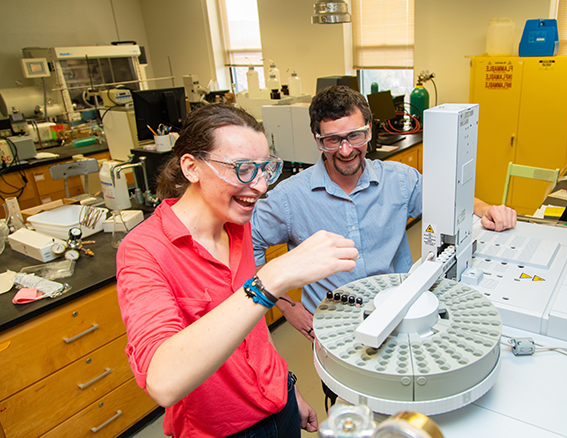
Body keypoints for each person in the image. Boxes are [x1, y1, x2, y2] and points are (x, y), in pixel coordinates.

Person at [116, 104, 358, 438]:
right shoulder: (144, 250)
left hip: (280, 404)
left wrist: (287, 388)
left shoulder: (236, 224)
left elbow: (251, 333)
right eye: (243, 169)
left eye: (265, 169)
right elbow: (162, 381)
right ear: (191, 167)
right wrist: (271, 279)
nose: (259, 186)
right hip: (223, 431)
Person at [251, 85, 516, 342]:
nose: (345, 150)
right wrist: (286, 306)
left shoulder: (399, 180)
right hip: (331, 330)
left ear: (369, 131)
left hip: (400, 318)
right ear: (318, 141)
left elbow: (447, 201)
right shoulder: (289, 197)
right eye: (332, 140)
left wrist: (485, 210)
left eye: (355, 135)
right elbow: (246, 244)